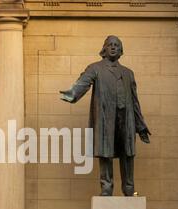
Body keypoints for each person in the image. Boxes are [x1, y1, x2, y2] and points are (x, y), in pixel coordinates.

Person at [60, 35, 151, 196]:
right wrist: (72, 93)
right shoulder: (95, 68)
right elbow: (83, 82)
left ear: (121, 50)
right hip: (106, 117)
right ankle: (106, 186)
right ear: (104, 49)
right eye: (110, 45)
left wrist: (140, 126)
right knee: (105, 152)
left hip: (126, 118)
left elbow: (135, 101)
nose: (113, 47)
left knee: (127, 153)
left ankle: (128, 188)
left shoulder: (128, 73)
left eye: (116, 45)